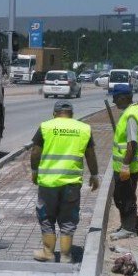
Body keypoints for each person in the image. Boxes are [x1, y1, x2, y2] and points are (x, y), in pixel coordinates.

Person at [30, 101, 100, 263]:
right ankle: (66, 256)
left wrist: (34, 172)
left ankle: (48, 253)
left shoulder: (46, 127)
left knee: (46, 216)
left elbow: (35, 152)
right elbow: (90, 155)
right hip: (72, 183)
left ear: (54, 114)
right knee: (68, 218)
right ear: (72, 114)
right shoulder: (83, 128)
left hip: (48, 182)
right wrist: (94, 175)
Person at [109, 84, 138, 239]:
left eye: (115, 98)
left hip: (129, 166)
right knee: (122, 195)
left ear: (123, 97)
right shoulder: (135, 110)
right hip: (131, 165)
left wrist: (125, 166)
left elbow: (132, 143)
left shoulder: (130, 115)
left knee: (124, 197)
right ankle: (127, 224)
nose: (114, 101)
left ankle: (129, 229)